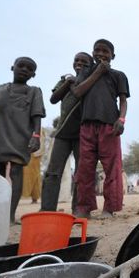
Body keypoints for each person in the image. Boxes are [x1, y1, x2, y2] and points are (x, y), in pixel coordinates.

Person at [0, 57, 45, 223]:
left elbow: (37, 115)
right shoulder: (0, 90)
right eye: (21, 66)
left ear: (33, 74)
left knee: (16, 172)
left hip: (20, 136)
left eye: (29, 68)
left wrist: (36, 136)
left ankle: (9, 215)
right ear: (12, 67)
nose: (24, 69)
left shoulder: (34, 92)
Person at [71, 39, 129, 218]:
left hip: (109, 126)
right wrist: (97, 72)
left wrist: (121, 119)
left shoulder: (118, 75)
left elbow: (123, 101)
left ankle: (109, 208)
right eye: (97, 50)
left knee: (112, 167)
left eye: (105, 51)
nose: (101, 54)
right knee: (85, 168)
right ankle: (84, 207)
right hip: (87, 126)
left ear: (113, 56)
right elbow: (77, 92)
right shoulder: (86, 72)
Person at [40, 52, 93, 212]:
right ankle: (47, 208)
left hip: (82, 134)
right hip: (62, 133)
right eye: (76, 60)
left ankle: (78, 209)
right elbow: (53, 99)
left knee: (81, 172)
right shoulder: (65, 79)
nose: (79, 63)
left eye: (84, 61)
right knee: (53, 172)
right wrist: (68, 82)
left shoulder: (92, 82)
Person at [21, 127, 44, 203]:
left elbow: (41, 143)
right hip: (26, 154)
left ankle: (35, 197)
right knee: (25, 176)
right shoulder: (25, 126)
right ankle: (24, 195)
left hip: (35, 155)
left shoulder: (40, 129)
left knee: (36, 176)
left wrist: (37, 152)